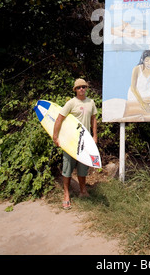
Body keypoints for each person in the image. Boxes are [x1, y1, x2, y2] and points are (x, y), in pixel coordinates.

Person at [53, 78, 98, 210]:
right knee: (67, 168)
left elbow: (94, 120)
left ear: (86, 88)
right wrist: (55, 137)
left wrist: (94, 136)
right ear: (75, 90)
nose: (81, 89)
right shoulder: (71, 103)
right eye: (79, 87)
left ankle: (83, 190)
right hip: (70, 141)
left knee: (83, 167)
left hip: (85, 141)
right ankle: (66, 194)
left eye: (83, 87)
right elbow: (59, 119)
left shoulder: (91, 102)